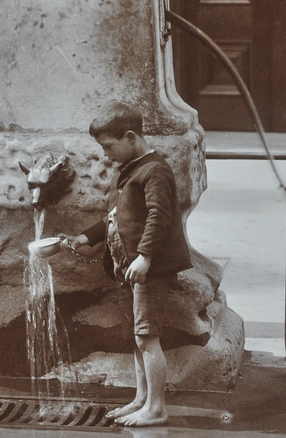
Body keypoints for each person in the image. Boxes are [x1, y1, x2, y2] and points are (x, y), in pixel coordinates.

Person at [60, 101, 192, 426]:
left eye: (108, 147)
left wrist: (146, 257)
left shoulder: (154, 170)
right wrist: (87, 239)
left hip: (149, 271)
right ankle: (142, 399)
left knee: (147, 337)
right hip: (131, 270)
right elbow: (115, 217)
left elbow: (159, 217)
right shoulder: (131, 169)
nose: (106, 155)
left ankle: (157, 407)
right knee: (138, 336)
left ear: (131, 137)